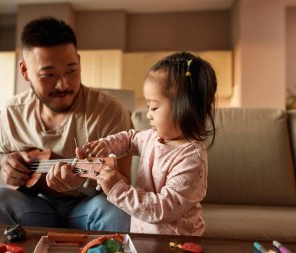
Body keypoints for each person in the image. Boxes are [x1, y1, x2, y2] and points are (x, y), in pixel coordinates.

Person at [0, 17, 132, 232]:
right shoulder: (13, 111)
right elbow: (2, 156)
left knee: (118, 209)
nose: (63, 84)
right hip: (34, 205)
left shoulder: (109, 110)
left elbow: (122, 181)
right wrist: (8, 165)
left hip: (90, 206)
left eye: (71, 71)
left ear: (79, 62)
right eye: (48, 75)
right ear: (25, 71)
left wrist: (80, 183)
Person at [77, 52, 217, 235]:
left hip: (173, 244)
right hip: (142, 236)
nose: (148, 114)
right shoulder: (151, 136)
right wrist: (106, 145)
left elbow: (163, 208)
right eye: (148, 106)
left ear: (186, 109)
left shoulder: (191, 159)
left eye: (155, 107)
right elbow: (129, 139)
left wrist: (118, 190)